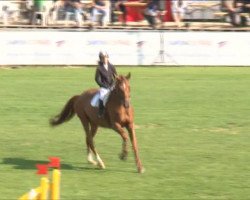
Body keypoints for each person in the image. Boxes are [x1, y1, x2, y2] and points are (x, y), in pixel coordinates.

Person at [95, 52, 117, 117]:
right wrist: (104, 86)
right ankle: (101, 111)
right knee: (102, 97)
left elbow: (116, 76)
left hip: (112, 85)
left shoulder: (112, 66)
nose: (105, 59)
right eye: (103, 58)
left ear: (108, 58)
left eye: (106, 58)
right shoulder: (99, 68)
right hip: (104, 87)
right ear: (101, 59)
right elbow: (97, 79)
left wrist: (113, 84)